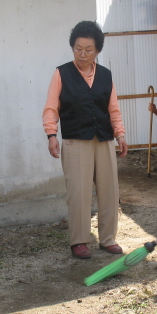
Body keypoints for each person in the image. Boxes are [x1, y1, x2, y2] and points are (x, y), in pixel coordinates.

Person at [43, 20, 129, 260]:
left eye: (88, 49)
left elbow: (113, 108)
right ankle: (79, 240)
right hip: (75, 140)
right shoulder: (61, 73)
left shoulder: (105, 75)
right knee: (78, 192)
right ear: (72, 47)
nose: (82, 54)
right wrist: (51, 135)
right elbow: (51, 108)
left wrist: (119, 133)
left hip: (103, 138)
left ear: (98, 51)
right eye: (78, 48)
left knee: (109, 189)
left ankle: (108, 238)